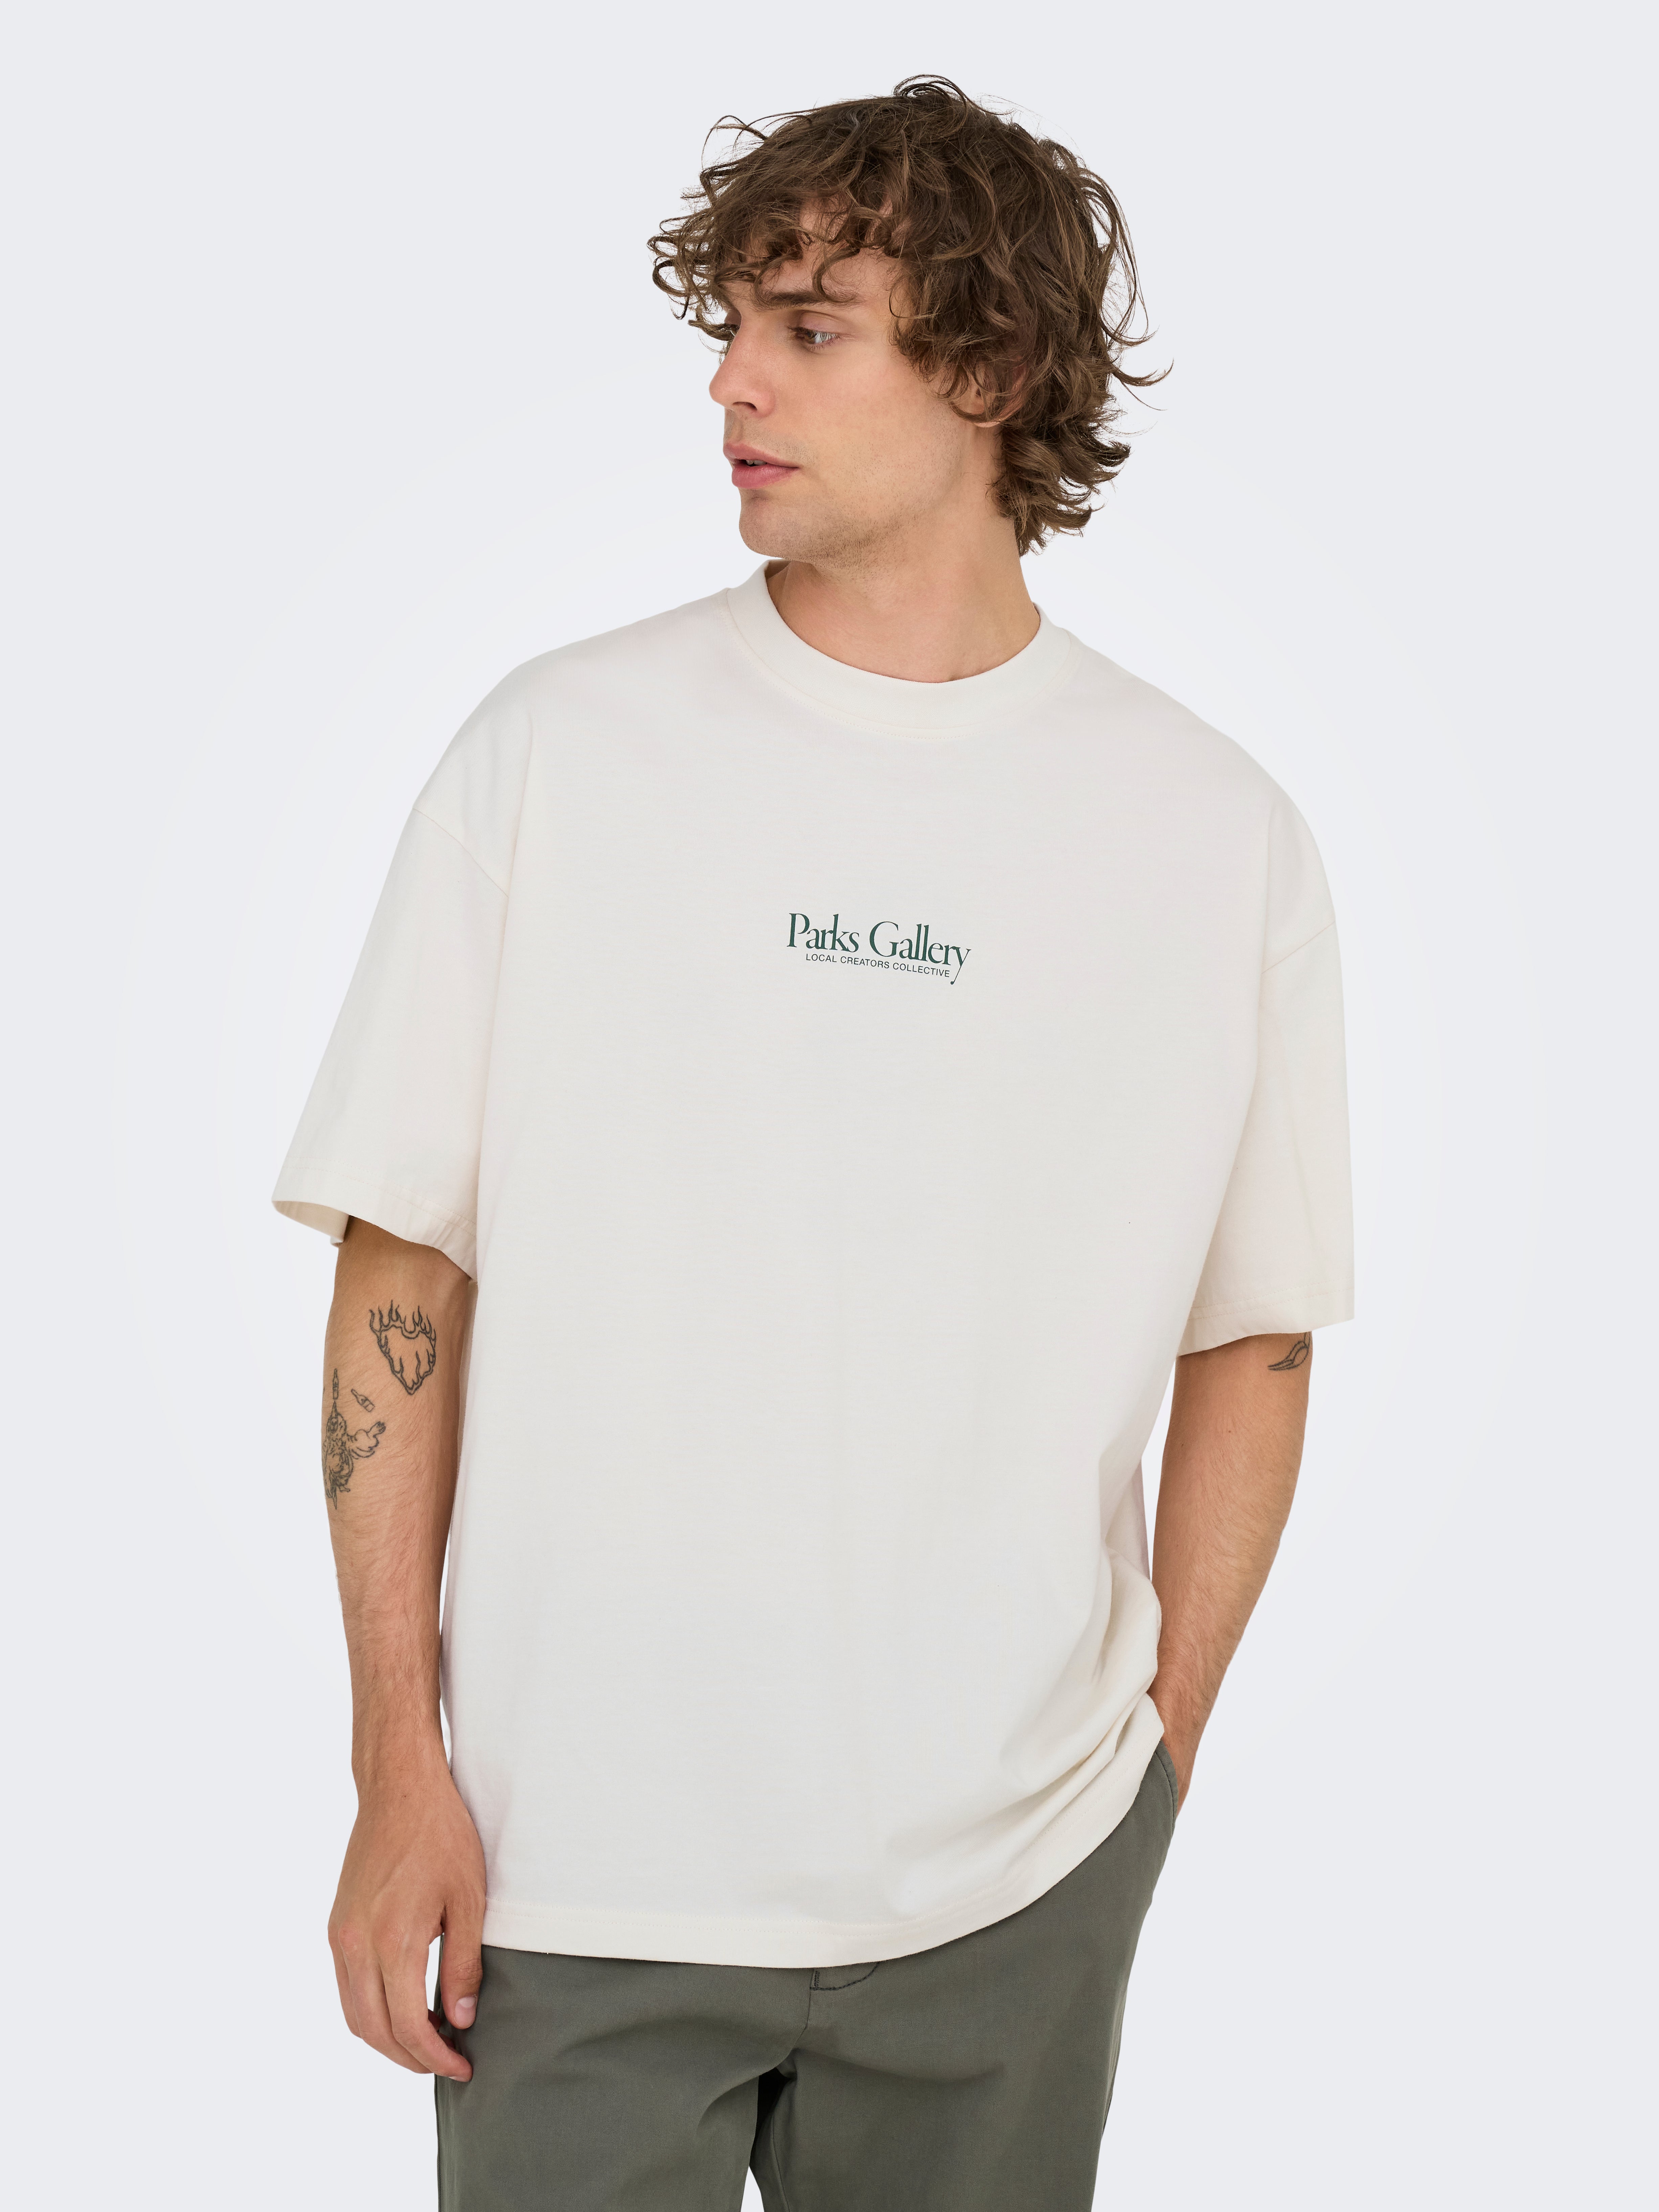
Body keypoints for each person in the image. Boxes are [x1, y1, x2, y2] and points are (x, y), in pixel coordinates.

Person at [275, 75, 1352, 2212]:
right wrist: (398, 1760)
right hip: (570, 1877)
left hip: (1014, 1891)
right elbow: (405, 1268)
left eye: (807, 329)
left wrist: (1148, 1767)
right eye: (735, 326)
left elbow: (1253, 1337)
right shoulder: (558, 752)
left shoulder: (1210, 834)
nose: (730, 383)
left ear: (993, 369)